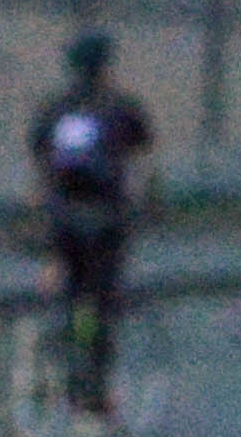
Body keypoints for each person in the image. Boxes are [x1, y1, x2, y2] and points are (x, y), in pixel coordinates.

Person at [26, 31, 158, 416]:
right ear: (105, 67)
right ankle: (93, 387)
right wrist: (151, 205)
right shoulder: (123, 108)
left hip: (61, 218)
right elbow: (145, 161)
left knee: (70, 289)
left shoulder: (54, 109)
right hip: (104, 220)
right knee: (99, 301)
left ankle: (56, 343)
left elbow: (39, 157)